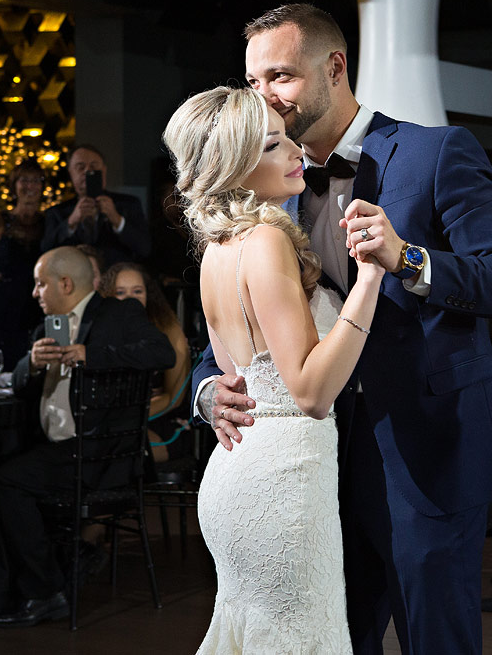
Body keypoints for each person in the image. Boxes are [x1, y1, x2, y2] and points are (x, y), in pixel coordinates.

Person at [197, 3, 492, 653]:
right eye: (254, 83)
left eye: (280, 76)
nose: (265, 97)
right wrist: (204, 389)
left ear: (335, 67)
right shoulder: (272, 179)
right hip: (317, 472)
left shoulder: (435, 152)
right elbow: (231, 324)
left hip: (430, 454)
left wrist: (411, 259)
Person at [164, 84, 385, 652]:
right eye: (271, 146)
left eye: (287, 138)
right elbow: (310, 391)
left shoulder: (218, 246)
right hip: (283, 483)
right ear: (232, 167)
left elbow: (240, 365)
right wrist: (370, 280)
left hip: (239, 476)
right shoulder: (264, 240)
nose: (293, 153)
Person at [0, 246, 177, 627]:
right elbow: (18, 383)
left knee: (7, 482)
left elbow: (162, 353)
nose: (35, 293)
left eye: (40, 284)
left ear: (66, 283)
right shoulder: (47, 327)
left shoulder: (118, 313)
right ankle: (29, 580)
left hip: (100, 453)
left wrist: (90, 355)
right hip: (57, 447)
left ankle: (44, 591)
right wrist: (32, 364)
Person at [100, 262, 192, 464]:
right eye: (121, 292)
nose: (130, 299)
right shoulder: (101, 331)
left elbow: (174, 398)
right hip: (109, 425)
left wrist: (125, 418)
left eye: (138, 291)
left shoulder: (168, 329)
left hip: (159, 420)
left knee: (117, 452)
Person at [0, 158, 47, 371]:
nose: (30, 186)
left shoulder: (49, 222)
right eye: (24, 180)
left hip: (37, 306)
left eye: (36, 180)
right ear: (14, 185)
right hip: (2, 307)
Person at [41, 144, 151, 265]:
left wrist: (117, 220)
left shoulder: (129, 204)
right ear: (70, 173)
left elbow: (144, 249)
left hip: (116, 276)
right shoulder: (56, 213)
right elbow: (46, 251)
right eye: (80, 167)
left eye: (94, 166)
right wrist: (71, 221)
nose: (88, 171)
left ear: (104, 170)